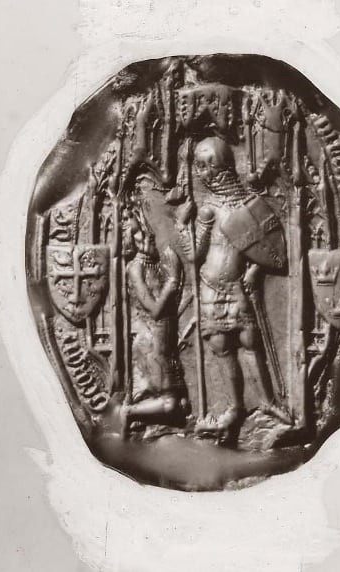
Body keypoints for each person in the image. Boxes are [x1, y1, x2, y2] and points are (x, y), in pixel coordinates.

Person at [176, 136, 287, 442]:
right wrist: (182, 224)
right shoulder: (207, 210)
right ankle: (236, 409)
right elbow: (194, 254)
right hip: (211, 287)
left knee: (250, 342)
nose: (200, 173)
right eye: (197, 166)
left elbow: (270, 250)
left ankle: (269, 403)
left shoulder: (250, 205)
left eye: (204, 166)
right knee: (221, 347)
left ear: (220, 166)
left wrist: (254, 270)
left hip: (237, 287)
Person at [120, 207, 188, 436]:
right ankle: (129, 413)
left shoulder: (155, 263)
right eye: (142, 235)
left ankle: (145, 421)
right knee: (170, 404)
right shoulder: (135, 268)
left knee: (182, 406)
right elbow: (155, 310)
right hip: (152, 344)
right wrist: (172, 282)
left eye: (149, 234)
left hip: (166, 343)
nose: (149, 238)